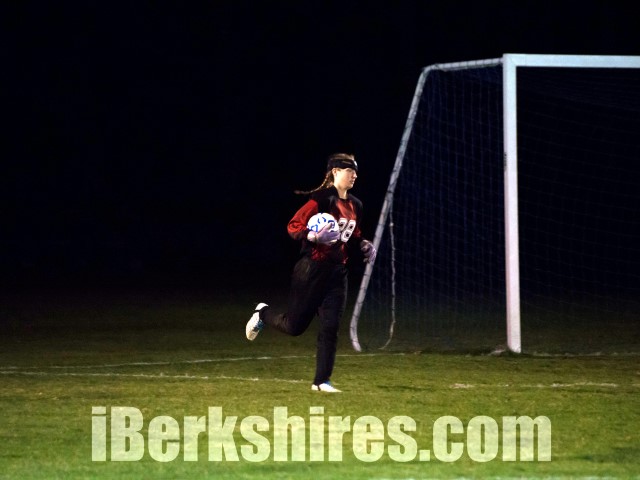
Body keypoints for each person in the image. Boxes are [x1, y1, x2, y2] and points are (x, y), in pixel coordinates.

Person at [245, 153, 376, 392]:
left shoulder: (356, 205)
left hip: (338, 274)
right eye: (350, 170)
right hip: (311, 270)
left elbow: (353, 236)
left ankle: (321, 381)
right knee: (294, 327)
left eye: (356, 171)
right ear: (335, 172)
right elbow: (293, 225)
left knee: (330, 327)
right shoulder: (321, 200)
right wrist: (312, 235)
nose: (355, 175)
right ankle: (263, 313)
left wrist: (364, 244)